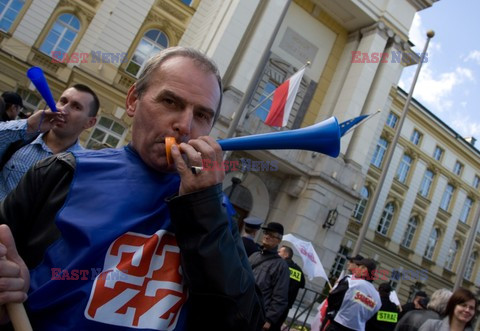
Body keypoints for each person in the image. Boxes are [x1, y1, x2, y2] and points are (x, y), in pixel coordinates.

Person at [0, 47, 264, 330]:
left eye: (202, 115)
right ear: (133, 100)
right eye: (170, 101)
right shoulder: (63, 171)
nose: (185, 126)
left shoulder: (215, 207)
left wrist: (204, 210)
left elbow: (242, 321)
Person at [0, 84, 99, 200]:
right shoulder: (21, 136)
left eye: (76, 107)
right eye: (63, 101)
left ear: (90, 123)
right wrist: (28, 126)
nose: (63, 110)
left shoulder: (82, 167)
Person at [249, 222, 290, 331]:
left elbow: (280, 297)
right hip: (240, 308)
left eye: (272, 235)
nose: (267, 236)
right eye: (266, 233)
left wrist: (269, 319)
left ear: (279, 240)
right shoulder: (254, 255)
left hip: (256, 316)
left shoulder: (281, 266)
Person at [323, 258, 381, 331]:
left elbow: (333, 300)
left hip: (339, 324)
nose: (356, 268)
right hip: (358, 328)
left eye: (359, 266)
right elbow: (372, 317)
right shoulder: (377, 297)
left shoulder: (351, 283)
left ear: (364, 270)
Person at [278, 245, 306, 327]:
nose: (277, 253)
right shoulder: (298, 269)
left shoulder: (281, 265)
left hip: (275, 302)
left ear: (286, 255)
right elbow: (302, 285)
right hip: (287, 304)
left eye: (279, 252)